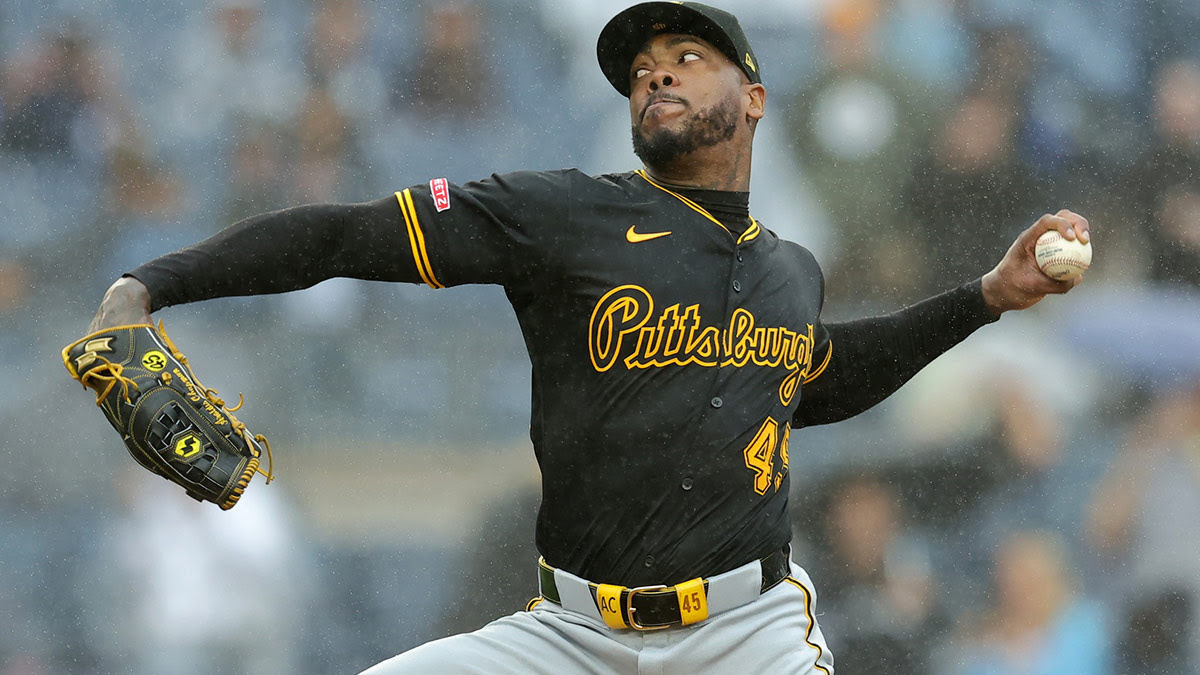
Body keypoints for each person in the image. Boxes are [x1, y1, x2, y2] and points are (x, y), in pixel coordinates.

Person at [83, 3, 1089, 672]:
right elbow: (345, 234)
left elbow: (820, 378)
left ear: (755, 96)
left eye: (685, 59)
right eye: (641, 71)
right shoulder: (562, 215)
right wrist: (152, 282)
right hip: (566, 634)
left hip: (745, 634)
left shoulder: (790, 272)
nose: (655, 77)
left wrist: (983, 299)